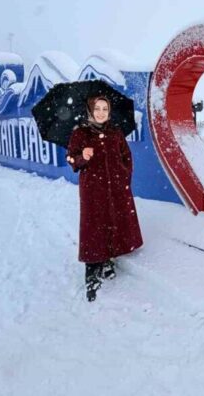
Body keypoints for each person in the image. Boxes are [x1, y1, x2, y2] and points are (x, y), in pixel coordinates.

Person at [67, 95, 143, 301]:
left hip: (117, 188)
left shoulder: (115, 132)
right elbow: (71, 159)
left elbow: (126, 156)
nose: (101, 113)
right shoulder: (80, 134)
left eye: (105, 109)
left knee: (114, 220)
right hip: (93, 189)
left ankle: (109, 258)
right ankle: (92, 272)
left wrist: (124, 175)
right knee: (94, 226)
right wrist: (83, 156)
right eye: (97, 109)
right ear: (90, 111)